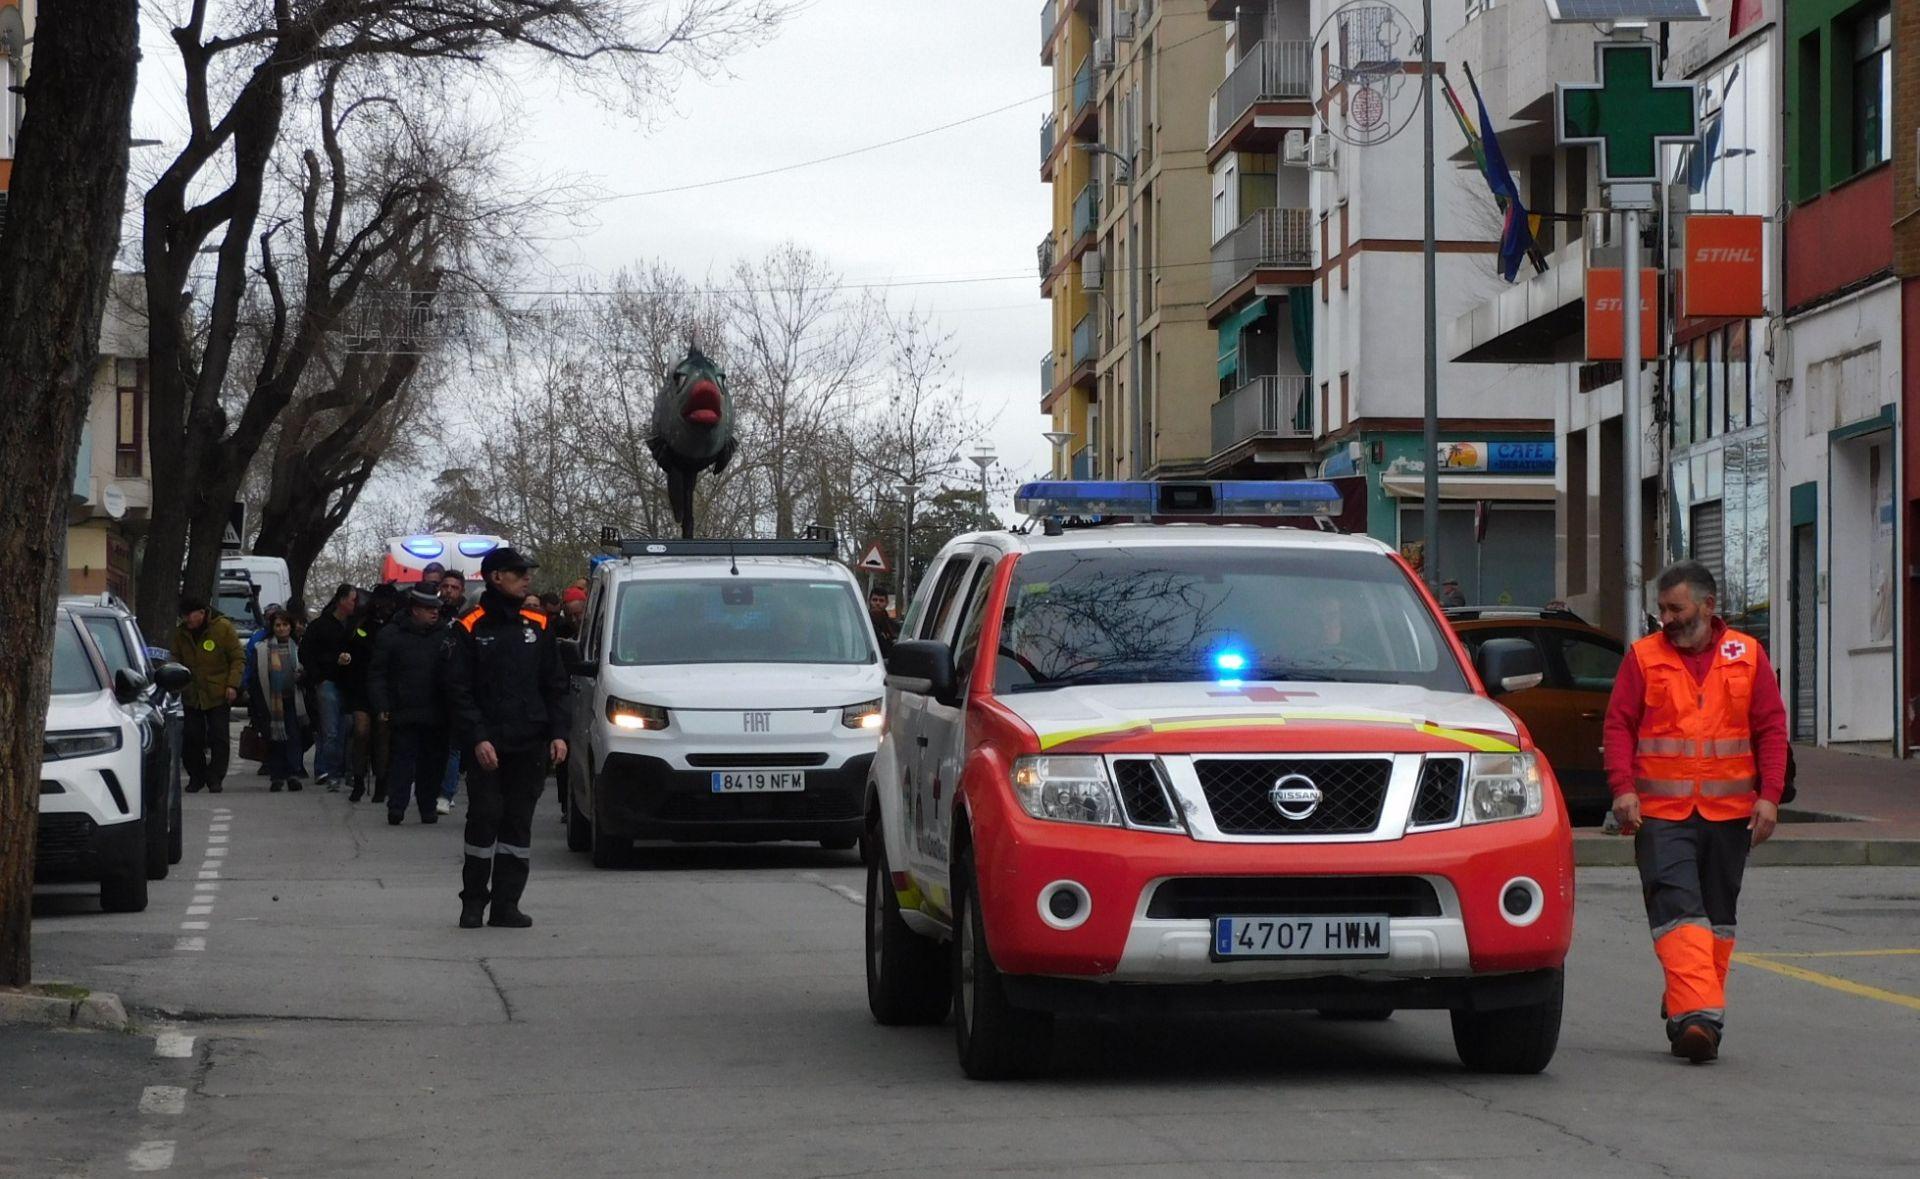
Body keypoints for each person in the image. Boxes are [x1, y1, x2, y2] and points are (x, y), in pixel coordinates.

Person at [1604, 560, 1786, 1065]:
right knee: (1679, 910)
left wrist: (1769, 795)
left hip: (1730, 813)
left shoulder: (1747, 656)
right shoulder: (1643, 659)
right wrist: (1623, 789)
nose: (1667, 618)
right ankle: (1701, 1020)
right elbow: (1619, 725)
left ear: (1708, 607)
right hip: (1661, 813)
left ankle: (1688, 1002)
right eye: (1661, 609)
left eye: (1676, 608)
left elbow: (1771, 728)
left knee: (1719, 922)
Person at [445, 548, 569, 929]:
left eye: (527, 572)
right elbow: (457, 690)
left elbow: (555, 684)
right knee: (484, 820)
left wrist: (558, 734)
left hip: (529, 743)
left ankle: (506, 905)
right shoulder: (470, 625)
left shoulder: (539, 623)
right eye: (518, 572)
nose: (526, 578)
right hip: (488, 744)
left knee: (518, 824)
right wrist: (478, 738)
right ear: (496, 577)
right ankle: (473, 903)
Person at [369, 587, 453, 826]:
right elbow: (378, 673)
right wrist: (381, 704)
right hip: (403, 709)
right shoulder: (391, 635)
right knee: (402, 761)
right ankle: (397, 806)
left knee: (433, 762)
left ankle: (428, 807)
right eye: (429, 609)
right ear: (415, 610)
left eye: (436, 609)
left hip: (436, 711)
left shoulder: (445, 635)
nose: (434, 613)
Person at [169, 596, 245, 794]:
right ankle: (196, 776)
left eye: (190, 615)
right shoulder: (181, 634)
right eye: (184, 616)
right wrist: (177, 681)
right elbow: (175, 658)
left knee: (218, 737)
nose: (187, 620)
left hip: (218, 692)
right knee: (192, 737)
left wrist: (232, 685)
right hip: (192, 693)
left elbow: (237, 658)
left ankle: (215, 777)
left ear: (202, 613)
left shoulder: (222, 629)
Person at [299, 584, 361, 792]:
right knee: (331, 730)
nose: (355, 604)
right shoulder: (320, 626)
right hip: (329, 682)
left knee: (350, 728)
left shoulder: (356, 625)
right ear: (341, 600)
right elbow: (306, 653)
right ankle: (331, 772)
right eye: (353, 599)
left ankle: (348, 771)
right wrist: (320, 676)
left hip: (351, 684)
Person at [249, 608, 308, 792]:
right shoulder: (263, 649)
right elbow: (256, 676)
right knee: (275, 739)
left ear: (290, 627)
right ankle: (276, 776)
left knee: (294, 737)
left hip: (293, 699)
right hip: (272, 702)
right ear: (272, 627)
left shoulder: (298, 648)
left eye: (285, 625)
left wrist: (302, 676)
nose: (281, 629)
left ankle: (293, 773)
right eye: (278, 625)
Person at [867, 588, 898, 658]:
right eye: (874, 600)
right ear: (869, 601)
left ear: (886, 603)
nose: (877, 603)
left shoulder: (893, 626)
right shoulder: (863, 624)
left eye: (881, 600)